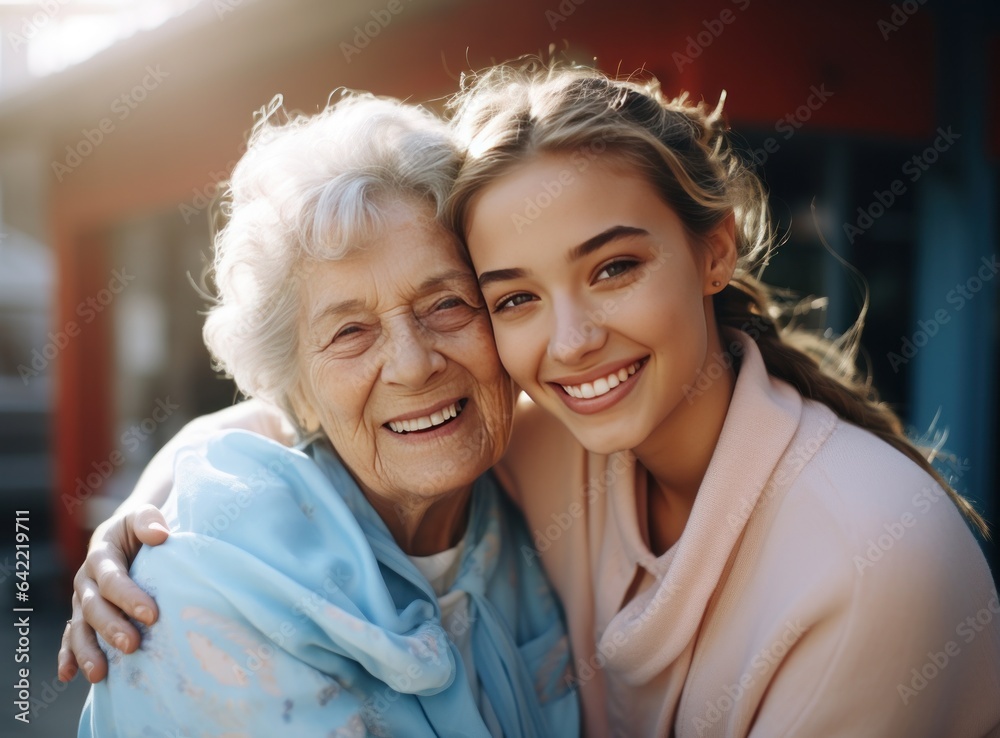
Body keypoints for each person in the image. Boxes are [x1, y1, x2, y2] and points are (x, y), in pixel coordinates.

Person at [64, 62, 1000, 737]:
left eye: (615, 267)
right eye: (513, 296)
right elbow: (309, 412)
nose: (571, 341)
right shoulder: (545, 438)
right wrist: (168, 503)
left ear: (716, 250)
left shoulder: (875, 563)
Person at [73, 91, 578, 738]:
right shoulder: (201, 590)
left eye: (447, 304)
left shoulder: (540, 495)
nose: (413, 364)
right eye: (350, 333)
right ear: (296, 389)